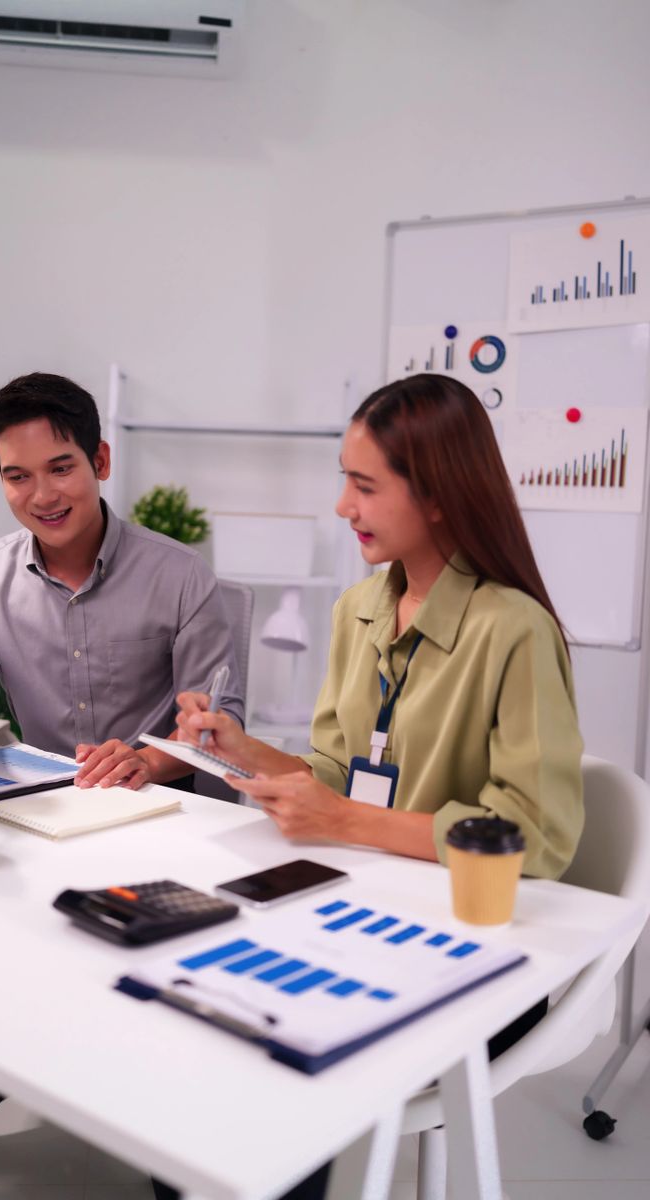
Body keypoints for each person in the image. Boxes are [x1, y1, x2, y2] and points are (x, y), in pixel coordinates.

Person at [172, 373, 584, 1200]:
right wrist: (243, 750)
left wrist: (348, 822)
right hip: (354, 913)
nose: (342, 506)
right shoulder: (359, 608)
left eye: (364, 486)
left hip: (469, 955)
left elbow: (536, 835)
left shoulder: (515, 629)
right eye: (345, 481)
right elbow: (332, 773)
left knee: (280, 1063)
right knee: (201, 1023)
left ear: (437, 495)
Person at [0, 372, 243, 1163]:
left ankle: (171, 1127)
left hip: (164, 823)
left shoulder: (181, 577)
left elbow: (216, 727)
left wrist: (147, 759)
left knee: (148, 988)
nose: (41, 495)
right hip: (48, 814)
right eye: (17, 475)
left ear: (99, 460)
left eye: (60, 467)